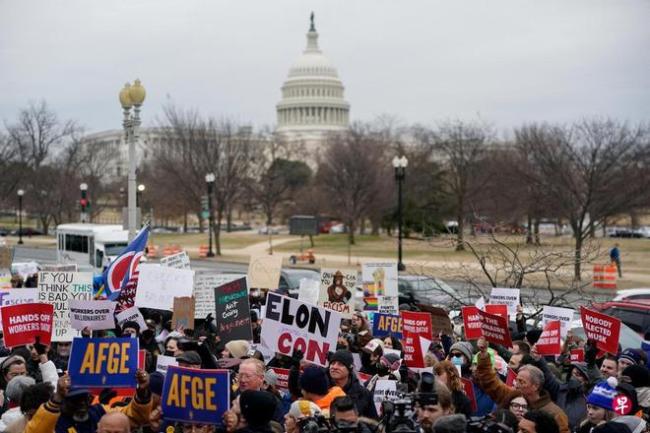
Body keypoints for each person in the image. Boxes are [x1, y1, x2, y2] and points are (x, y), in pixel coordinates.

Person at [475, 338, 570, 433]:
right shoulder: (511, 396)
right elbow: (489, 381)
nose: (516, 384)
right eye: (516, 380)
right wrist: (483, 354)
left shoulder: (555, 414)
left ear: (535, 386)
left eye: (522, 382)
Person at [25, 370, 152, 433]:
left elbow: (134, 417)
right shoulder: (55, 422)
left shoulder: (100, 412)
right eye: (75, 400)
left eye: (84, 398)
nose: (81, 404)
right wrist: (57, 396)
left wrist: (142, 391)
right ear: (64, 401)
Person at [328, 350, 376, 418]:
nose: (334, 367)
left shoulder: (364, 394)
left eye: (340, 364)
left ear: (349, 369)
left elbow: (373, 423)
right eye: (332, 363)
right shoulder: (321, 388)